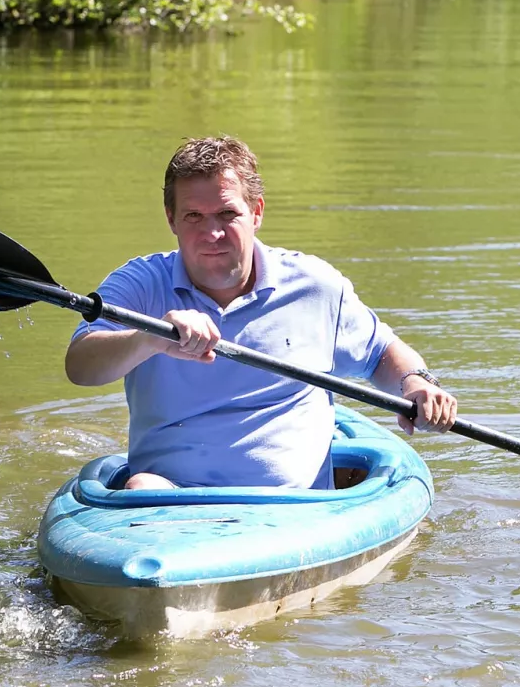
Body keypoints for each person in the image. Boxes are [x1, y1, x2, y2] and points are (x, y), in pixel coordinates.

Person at [64, 135, 457, 490]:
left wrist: (417, 383)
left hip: (296, 510)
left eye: (227, 214)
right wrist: (149, 338)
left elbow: (381, 353)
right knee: (144, 487)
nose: (212, 233)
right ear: (171, 219)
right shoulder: (139, 283)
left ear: (257, 212)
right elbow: (80, 366)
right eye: (194, 216)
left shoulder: (314, 285)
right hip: (168, 501)